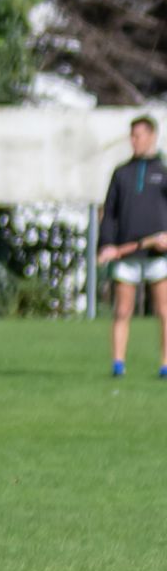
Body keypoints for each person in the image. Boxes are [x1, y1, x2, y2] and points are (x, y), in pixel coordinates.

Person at [96, 115, 167, 378]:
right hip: (126, 254)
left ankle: (165, 365)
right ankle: (118, 365)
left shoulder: (164, 170)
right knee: (123, 309)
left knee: (164, 310)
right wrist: (106, 244)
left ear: (152, 136)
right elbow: (110, 213)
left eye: (138, 136)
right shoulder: (121, 173)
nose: (133, 141)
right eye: (132, 136)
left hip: (158, 255)